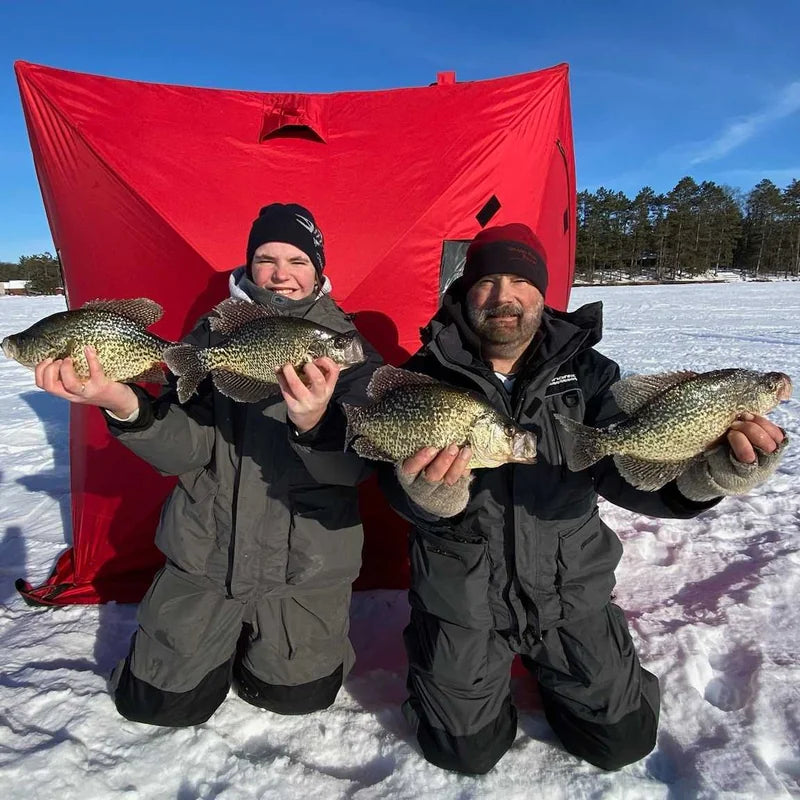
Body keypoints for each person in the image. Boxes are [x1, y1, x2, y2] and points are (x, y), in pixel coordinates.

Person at [379, 222, 788, 774]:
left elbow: (633, 473)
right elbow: (384, 482)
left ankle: (576, 674)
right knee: (462, 752)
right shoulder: (422, 377)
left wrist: (713, 476)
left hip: (568, 595)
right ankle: (453, 675)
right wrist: (427, 495)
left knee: (623, 740)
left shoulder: (593, 377)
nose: (504, 296)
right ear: (464, 290)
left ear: (543, 292)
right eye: (488, 281)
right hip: (463, 601)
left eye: (521, 281)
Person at [34, 203, 382, 725]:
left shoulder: (350, 351)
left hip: (302, 567)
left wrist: (315, 426)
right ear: (248, 265)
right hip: (207, 557)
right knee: (154, 705)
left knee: (298, 698)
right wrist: (124, 403)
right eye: (266, 258)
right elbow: (188, 450)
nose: (281, 273)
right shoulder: (213, 336)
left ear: (319, 271)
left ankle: (265, 646)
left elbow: (357, 470)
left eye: (297, 260)